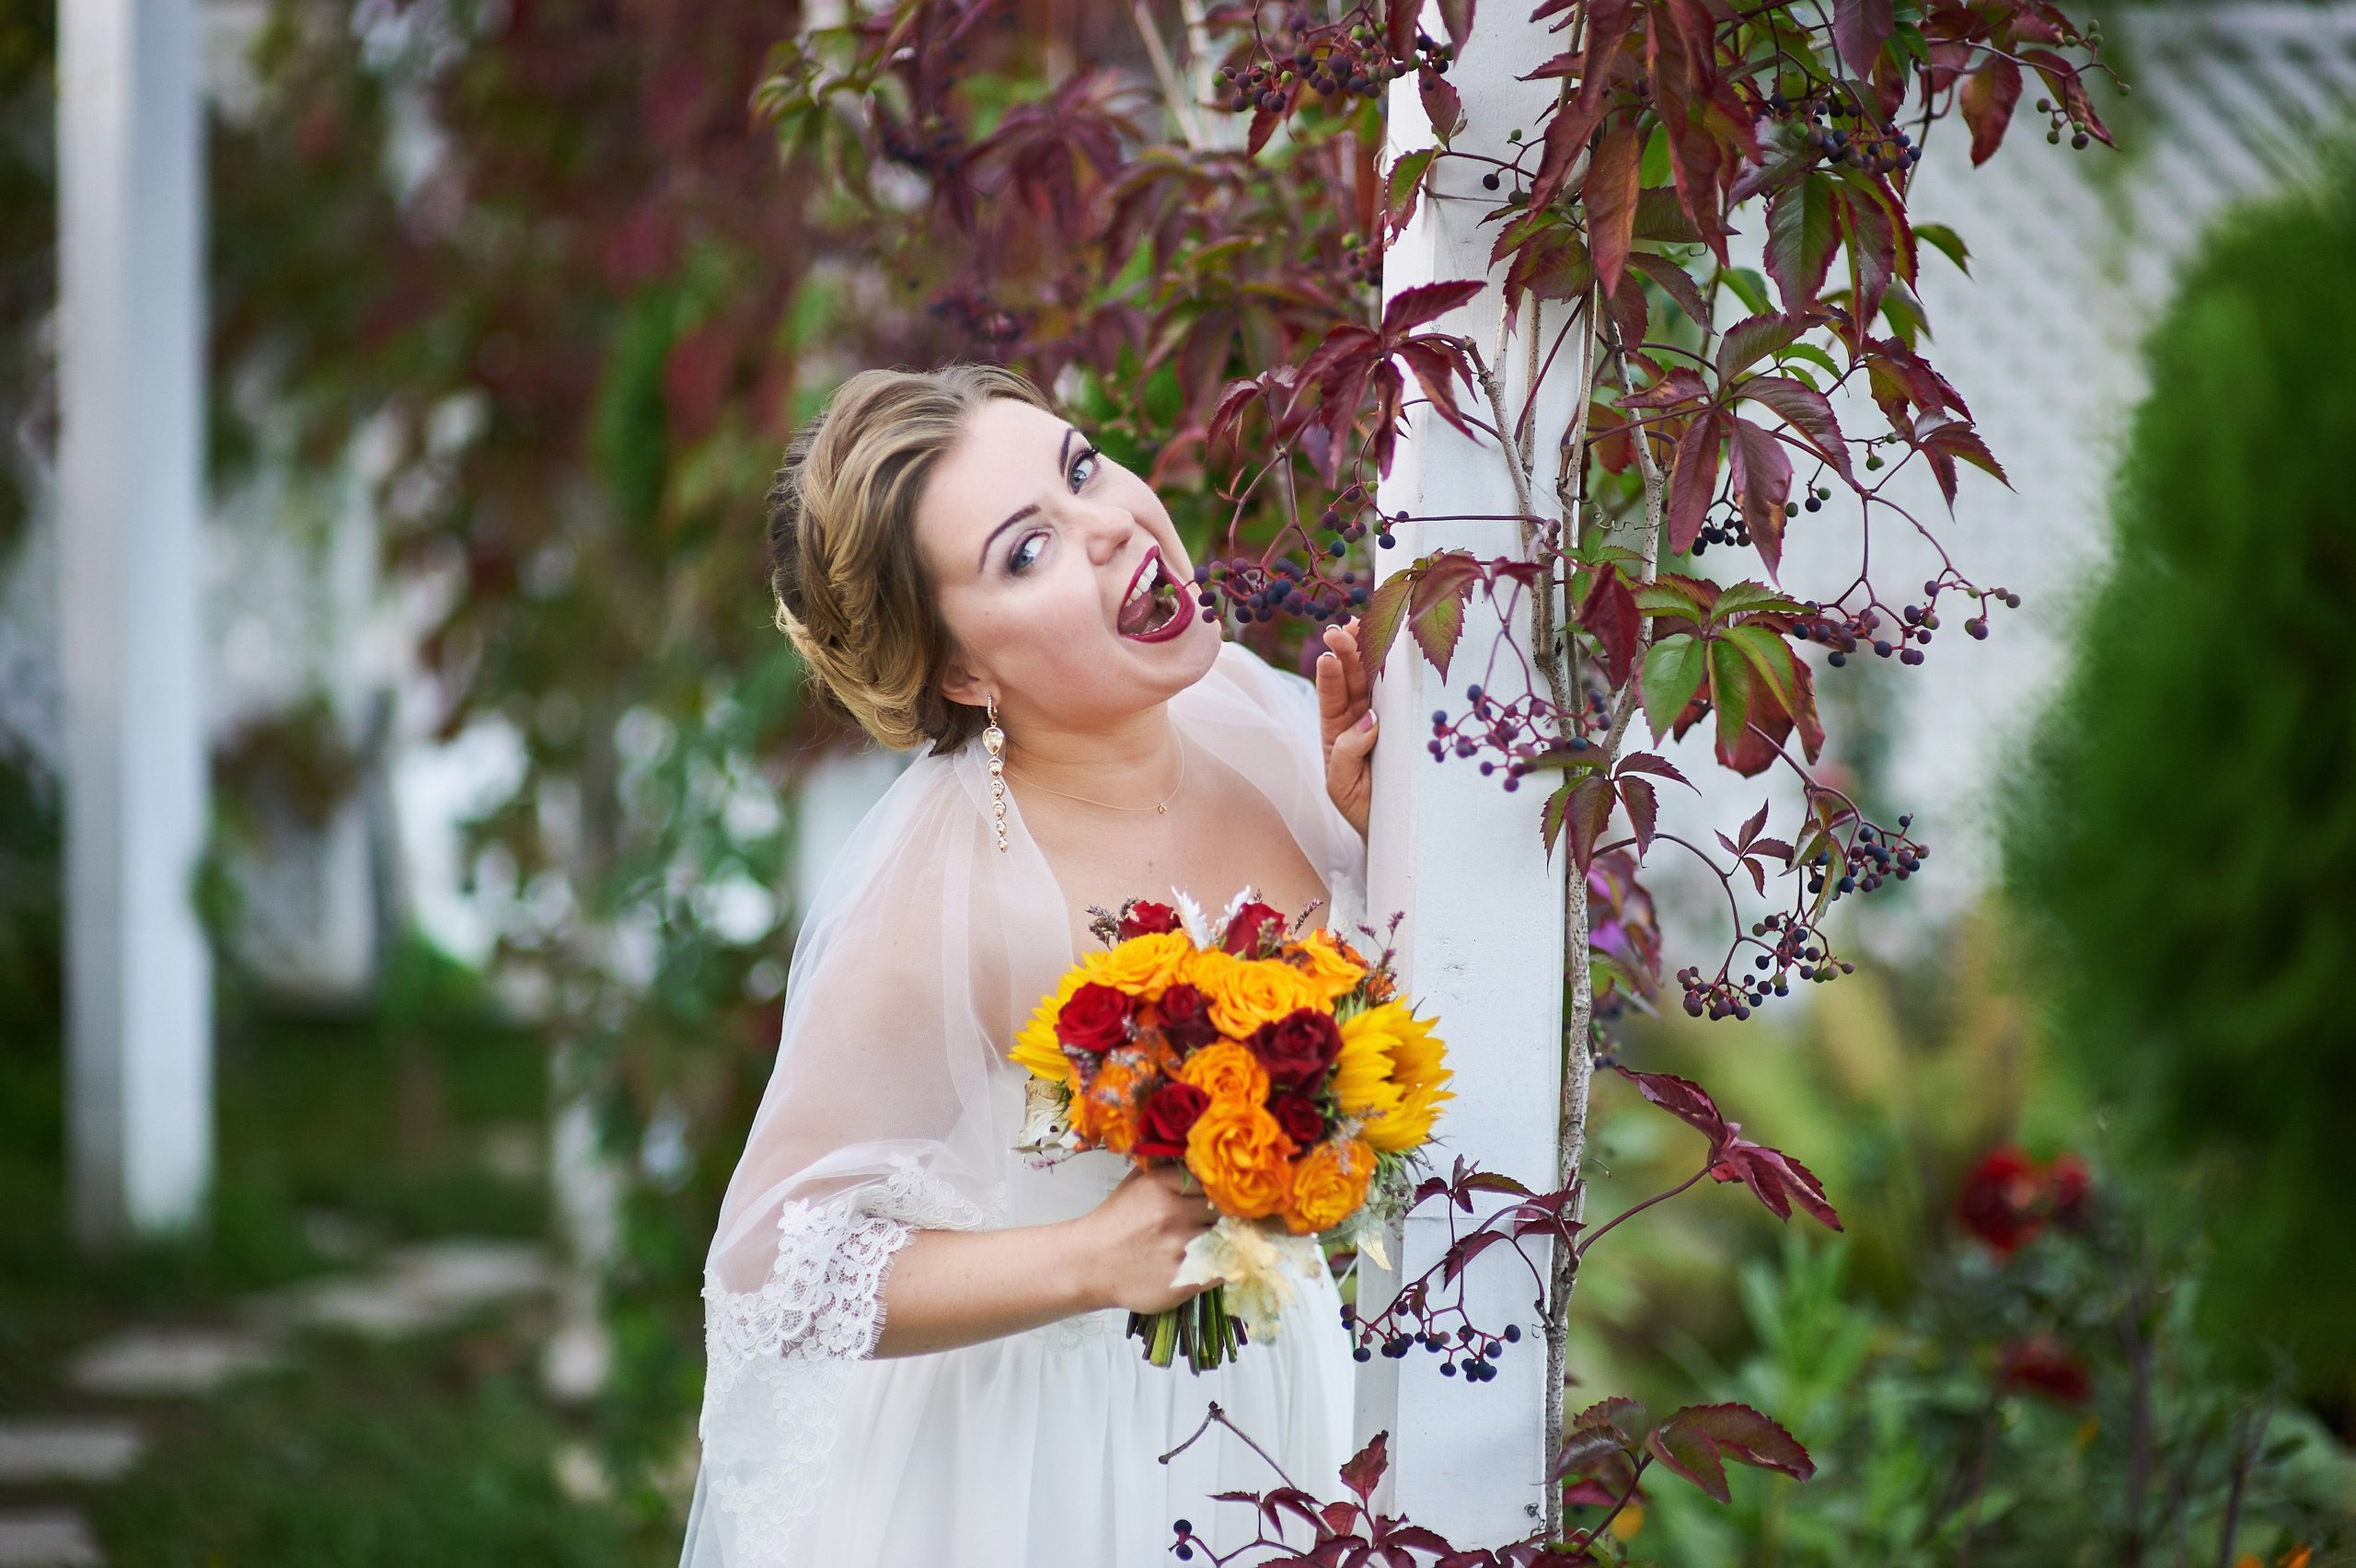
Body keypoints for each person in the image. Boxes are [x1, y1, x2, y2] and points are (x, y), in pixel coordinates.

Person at [681, 364, 1382, 1567]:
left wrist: (1382, 837)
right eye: (1026, 551)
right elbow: (765, 1277)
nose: (1109, 524)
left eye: (1081, 469)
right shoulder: (950, 899)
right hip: (1051, 1465)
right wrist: (1086, 1259)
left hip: (1277, 1393)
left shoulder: (1245, 714)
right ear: (964, 674)